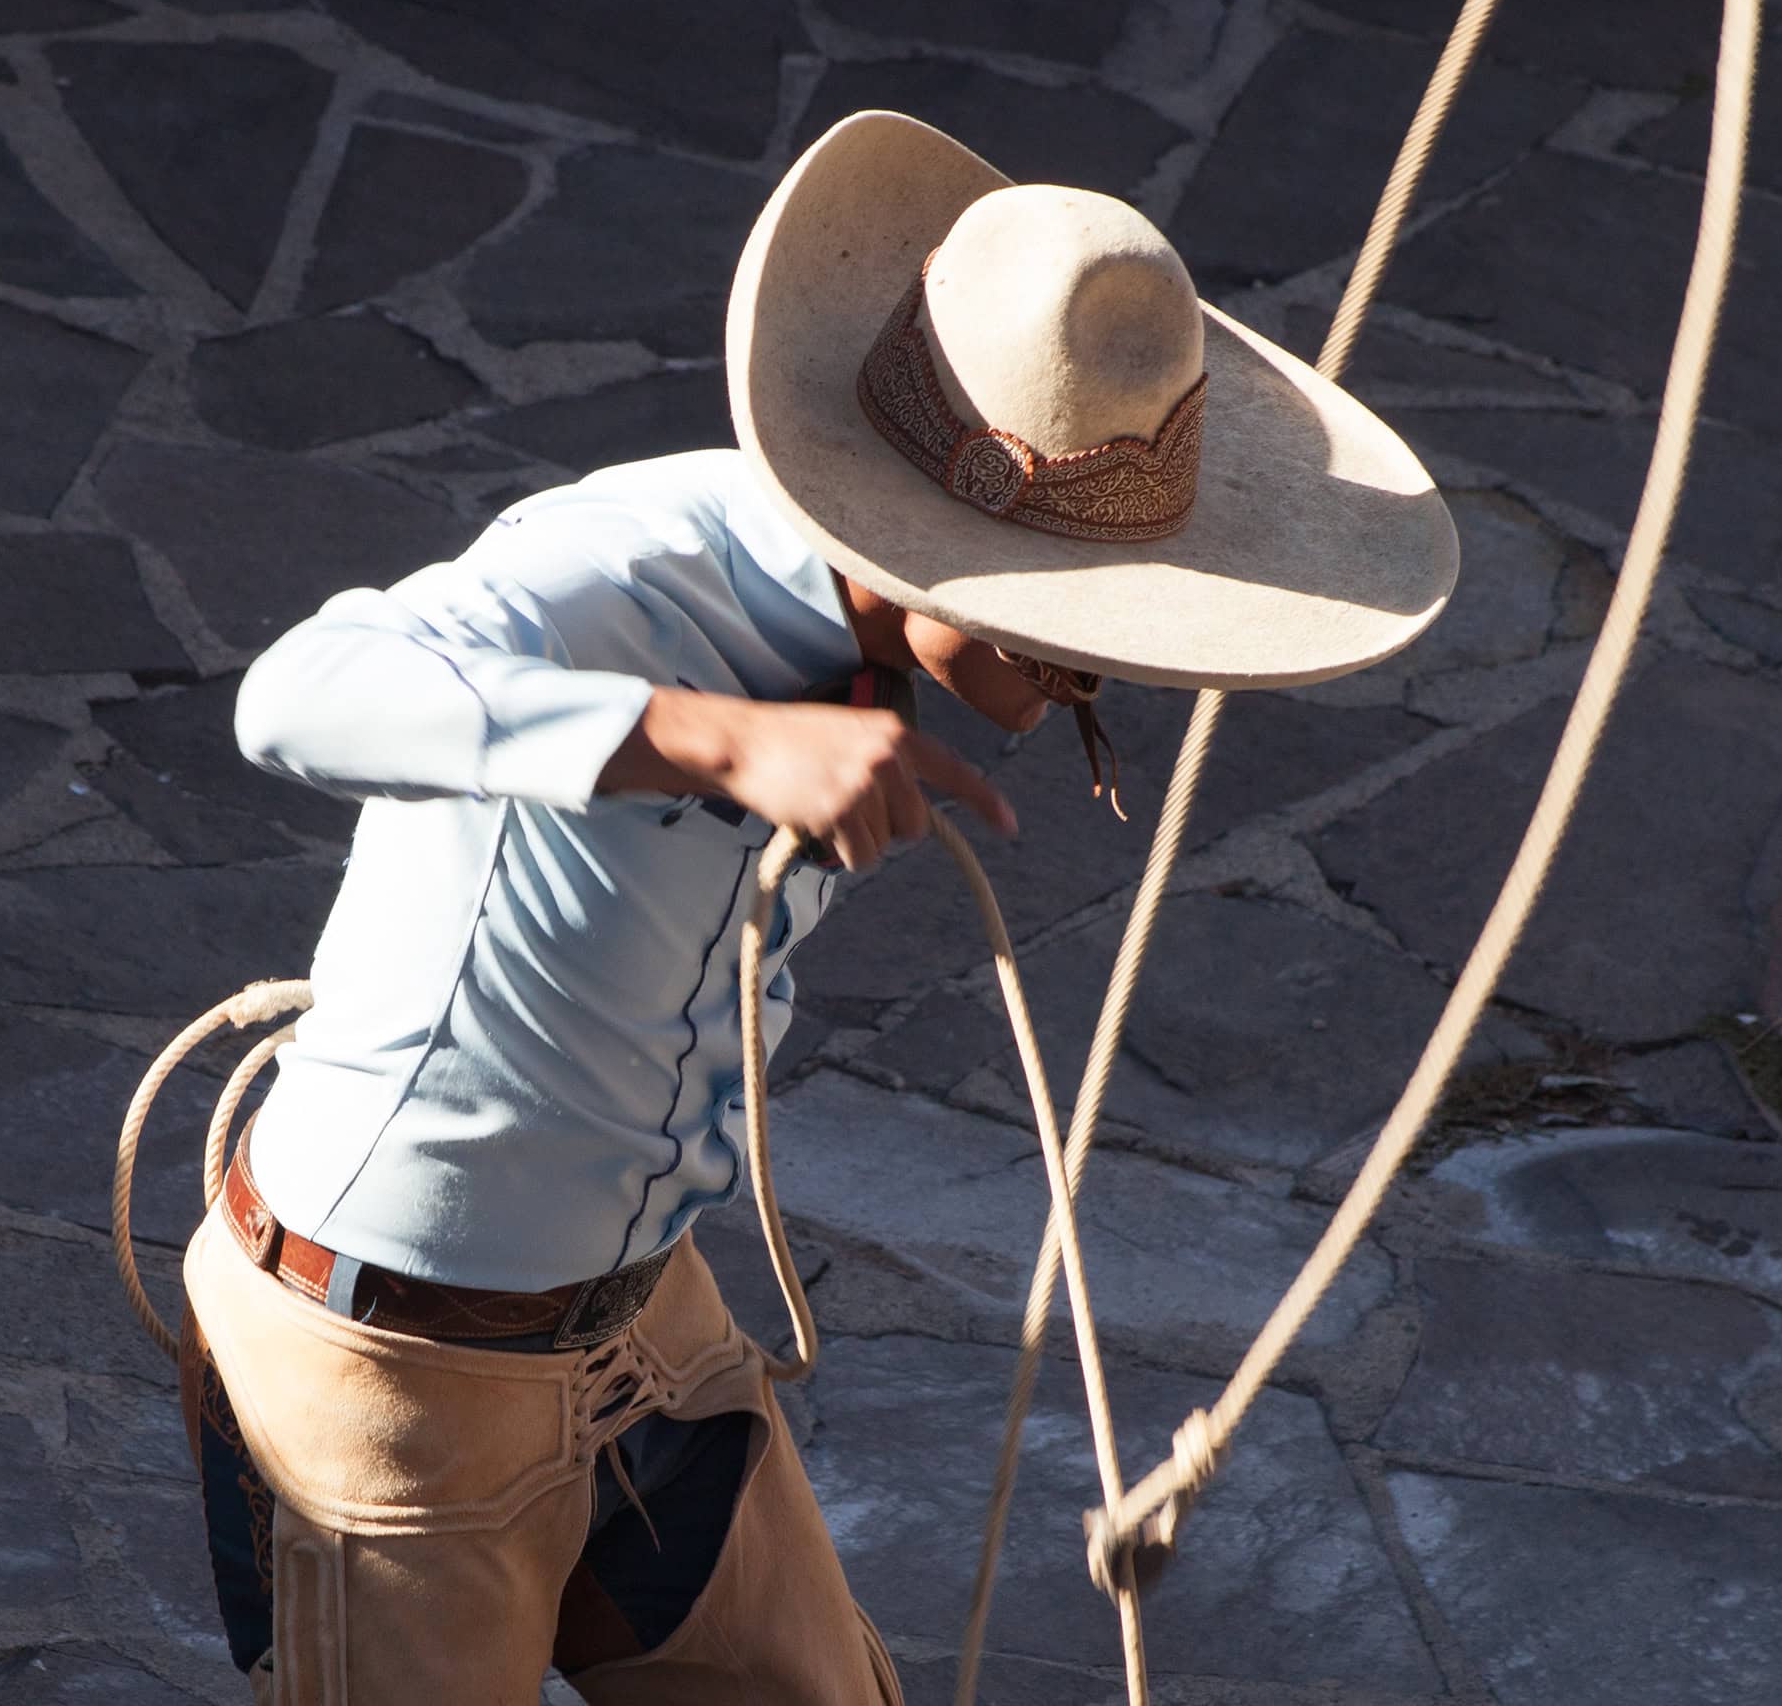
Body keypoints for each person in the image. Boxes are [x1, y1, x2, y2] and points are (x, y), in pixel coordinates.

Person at [178, 111, 1456, 1704]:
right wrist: (713, 734)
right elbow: (296, 696)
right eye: (1069, 611)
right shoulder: (621, 569)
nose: (1095, 667)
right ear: (924, 535)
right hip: (387, 1361)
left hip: (638, 1323)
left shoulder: (870, 646)